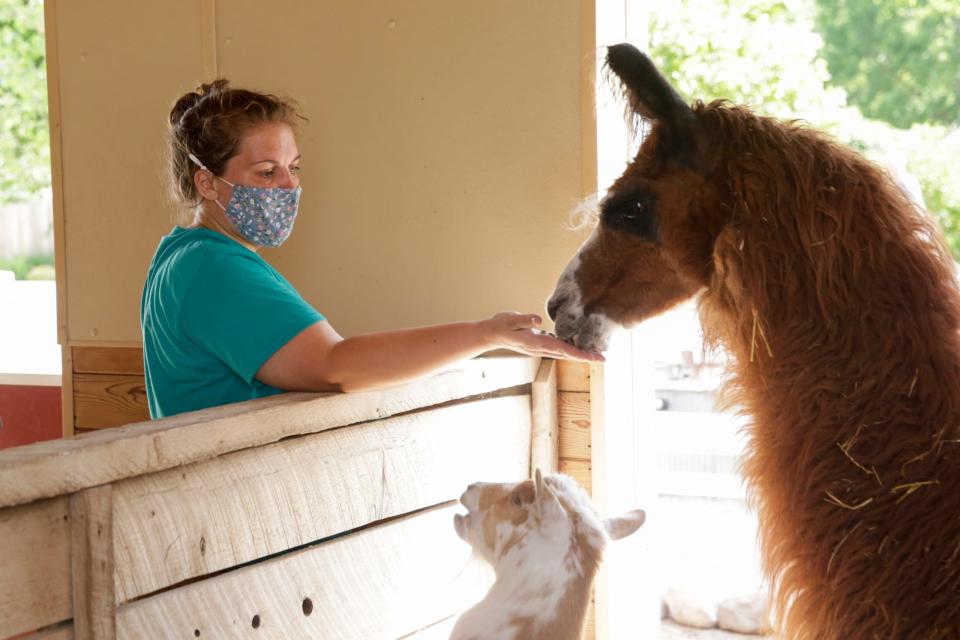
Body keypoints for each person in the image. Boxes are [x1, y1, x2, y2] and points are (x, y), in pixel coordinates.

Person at [141, 79, 601, 419]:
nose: (289, 187)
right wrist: (486, 334)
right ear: (207, 182)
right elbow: (336, 365)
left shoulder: (181, 256)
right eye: (266, 173)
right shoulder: (214, 269)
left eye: (294, 168)